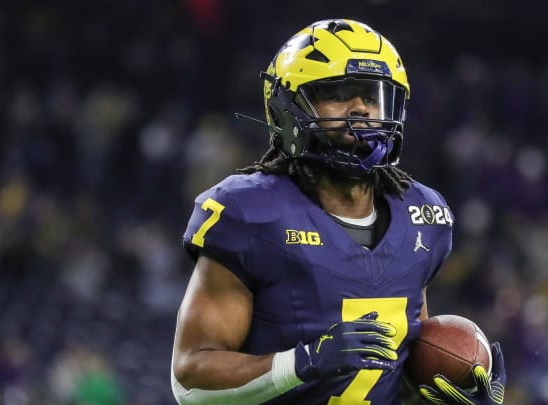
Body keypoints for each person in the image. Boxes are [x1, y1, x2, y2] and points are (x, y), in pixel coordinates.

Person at [170, 18, 507, 404]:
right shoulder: (249, 213)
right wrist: (302, 364)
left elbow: (390, 375)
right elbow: (190, 385)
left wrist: (450, 394)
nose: (360, 108)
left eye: (372, 96)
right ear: (288, 107)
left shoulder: (423, 215)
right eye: (338, 92)